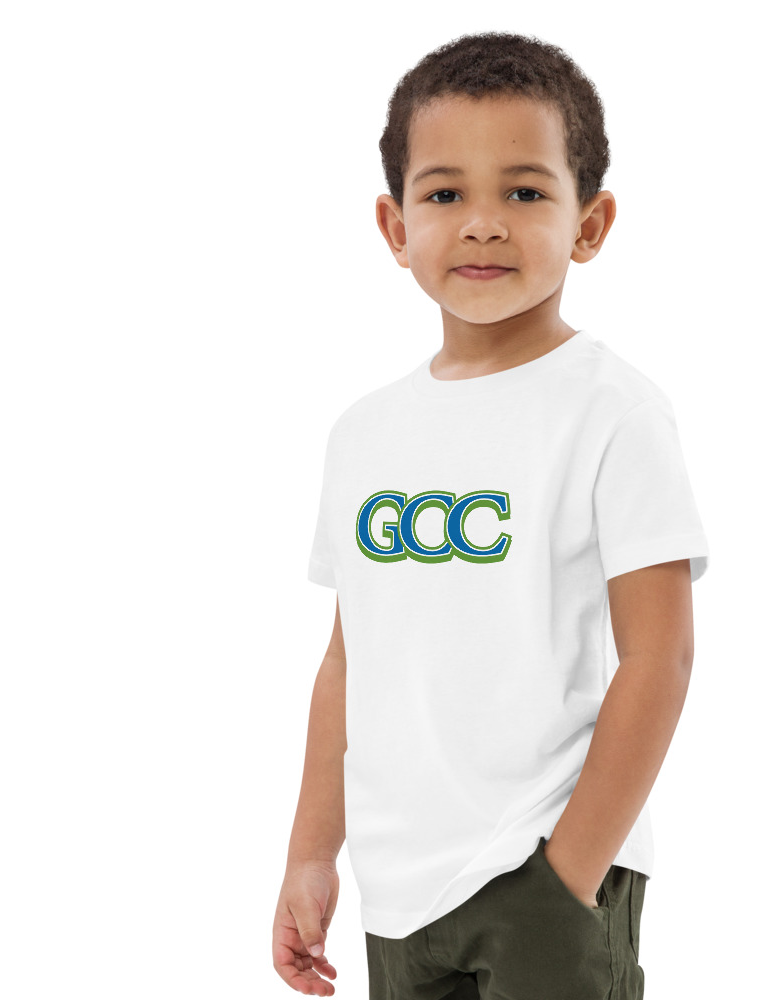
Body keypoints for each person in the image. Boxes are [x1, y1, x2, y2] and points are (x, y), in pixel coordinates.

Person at [272, 31, 711, 1000]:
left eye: (522, 192)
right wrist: (311, 852)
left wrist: (568, 874)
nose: (481, 225)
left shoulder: (613, 411)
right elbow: (348, 660)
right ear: (394, 226)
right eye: (443, 195)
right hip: (398, 893)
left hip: (544, 870)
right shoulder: (363, 434)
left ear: (589, 222)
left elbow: (661, 657)